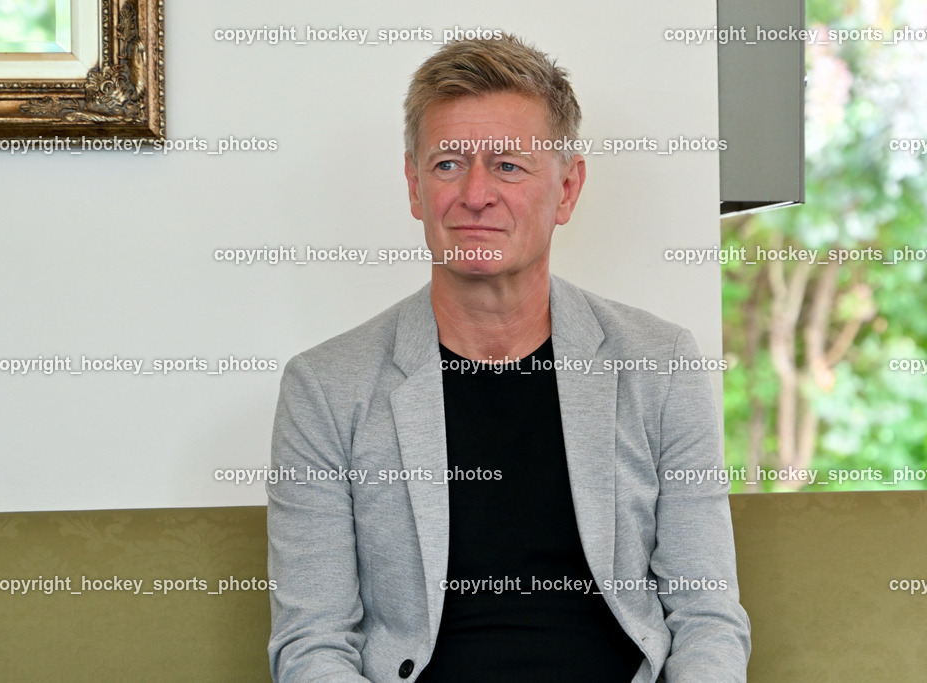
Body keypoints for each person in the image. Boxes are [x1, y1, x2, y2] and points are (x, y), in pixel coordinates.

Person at [267, 34, 751, 682]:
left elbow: (708, 618)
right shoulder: (324, 389)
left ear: (568, 187)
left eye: (508, 165)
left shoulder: (659, 366)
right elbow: (312, 647)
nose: (474, 194)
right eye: (446, 165)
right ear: (414, 187)